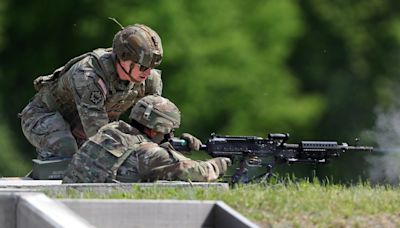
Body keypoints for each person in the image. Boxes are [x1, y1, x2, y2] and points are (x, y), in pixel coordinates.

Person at [19, 23, 200, 161]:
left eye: (152, 66)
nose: (147, 72)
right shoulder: (88, 75)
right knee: (67, 151)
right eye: (143, 66)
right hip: (44, 117)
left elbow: (150, 127)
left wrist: (171, 143)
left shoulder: (149, 80)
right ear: (123, 57)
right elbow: (100, 137)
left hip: (84, 129)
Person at [62, 95, 231, 183]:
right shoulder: (148, 153)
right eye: (169, 131)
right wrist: (222, 162)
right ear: (154, 129)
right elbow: (200, 172)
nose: (170, 135)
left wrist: (172, 147)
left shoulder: (111, 130)